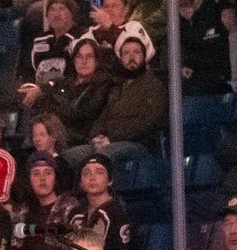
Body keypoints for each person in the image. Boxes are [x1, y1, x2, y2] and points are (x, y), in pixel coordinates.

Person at [65, 30, 165, 166]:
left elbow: (146, 122)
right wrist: (95, 137)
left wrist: (111, 138)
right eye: (126, 53)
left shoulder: (153, 85)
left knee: (101, 157)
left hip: (137, 144)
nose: (131, 57)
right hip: (108, 141)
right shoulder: (117, 86)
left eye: (136, 52)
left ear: (144, 56)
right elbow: (103, 117)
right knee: (68, 156)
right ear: (120, 58)